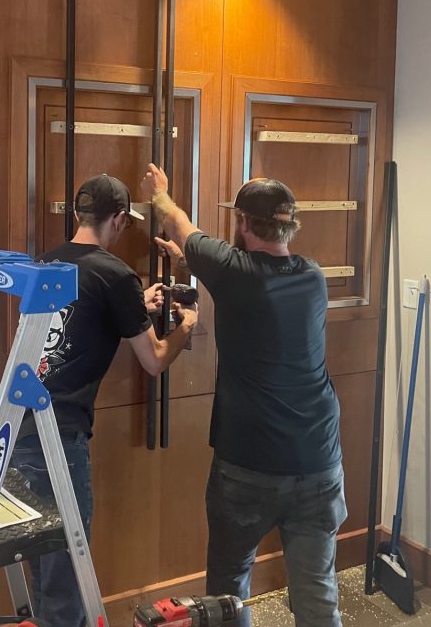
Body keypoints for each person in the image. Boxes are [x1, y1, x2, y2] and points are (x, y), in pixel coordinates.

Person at [141, 163, 346, 627]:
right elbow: (234, 274)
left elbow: (180, 223)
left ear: (242, 222)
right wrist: (188, 262)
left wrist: (159, 194)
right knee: (317, 593)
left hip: (249, 464)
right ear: (287, 224)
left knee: (229, 589)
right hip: (317, 459)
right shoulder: (312, 277)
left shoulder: (236, 270)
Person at [12, 173, 199, 627]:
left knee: (43, 564)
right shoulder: (115, 274)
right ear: (117, 218)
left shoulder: (47, 261)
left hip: (18, 428)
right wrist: (187, 326)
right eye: (125, 224)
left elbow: (78, 322)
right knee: (67, 573)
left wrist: (137, 305)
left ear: (78, 214)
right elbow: (153, 361)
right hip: (60, 439)